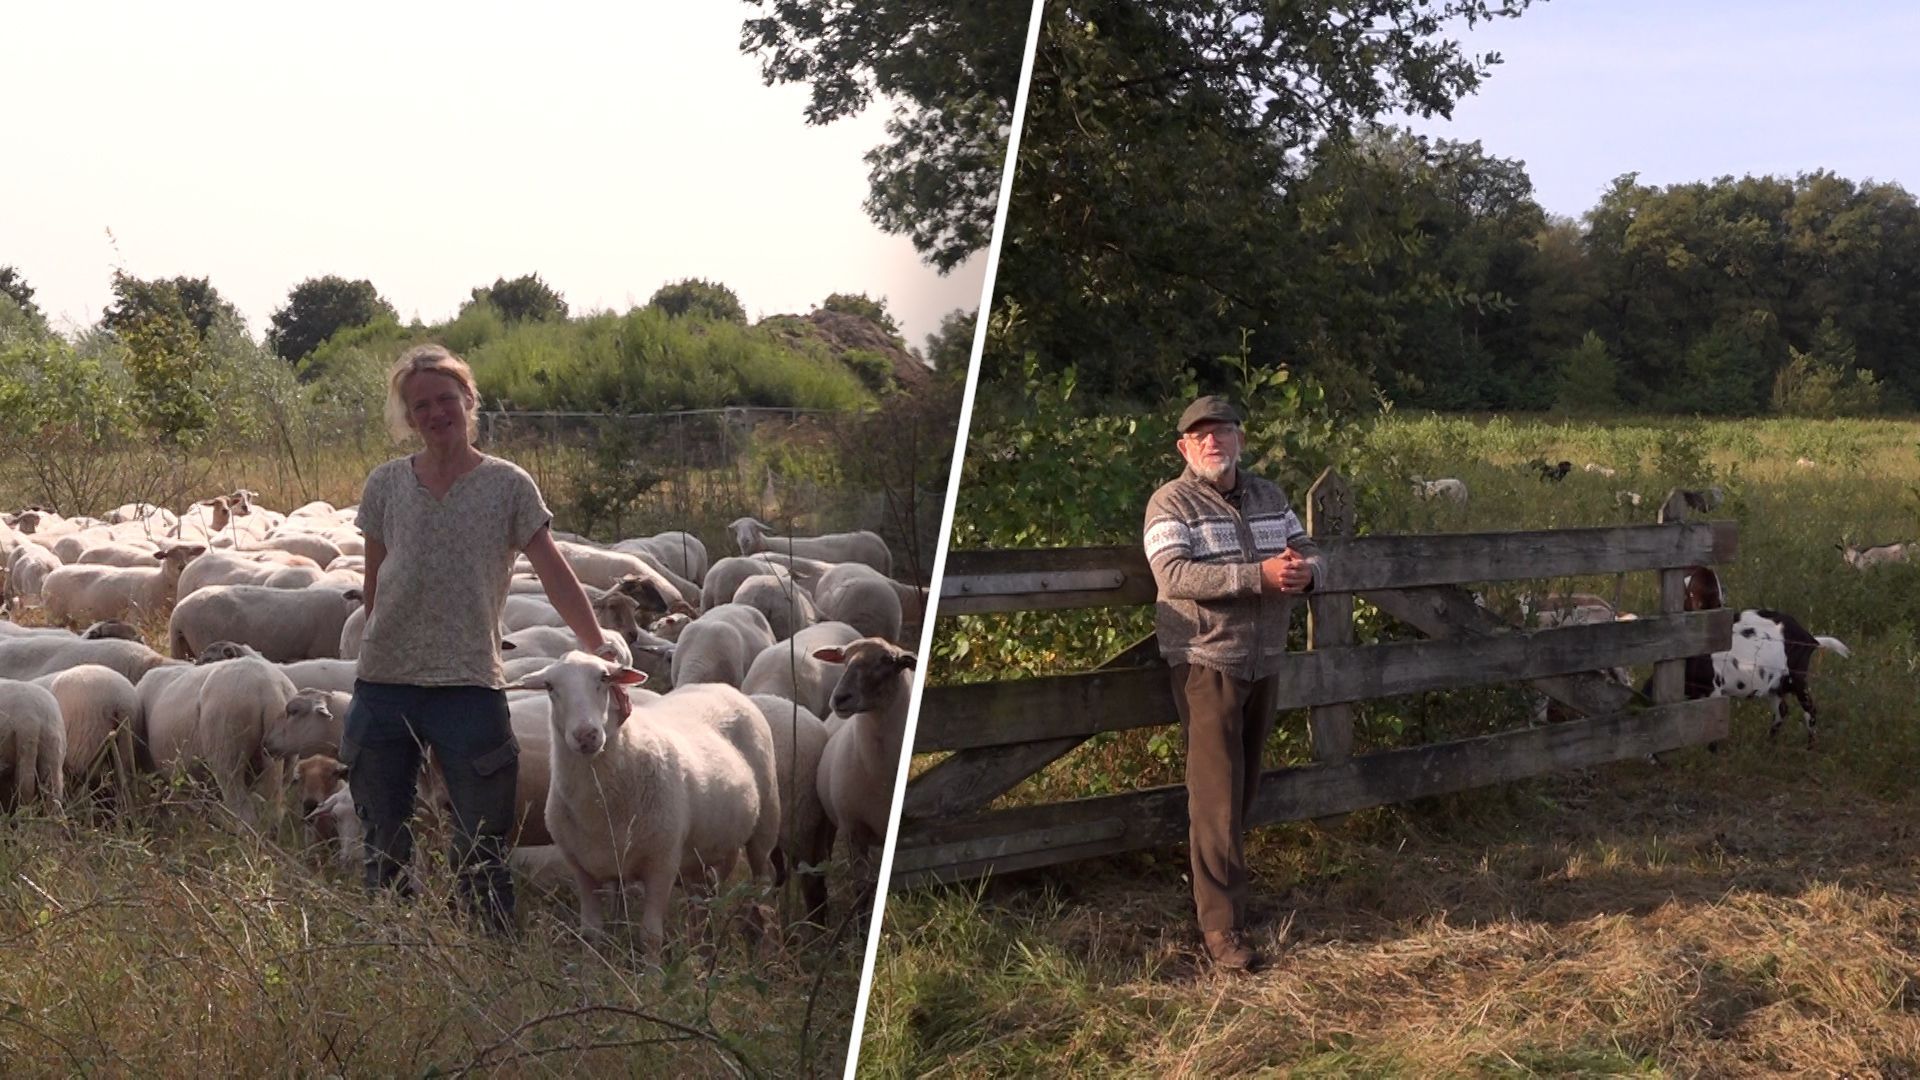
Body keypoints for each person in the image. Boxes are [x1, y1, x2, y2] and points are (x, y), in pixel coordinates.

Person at [342, 343, 624, 933]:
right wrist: (375, 650)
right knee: (383, 832)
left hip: (469, 685)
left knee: (482, 838)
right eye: (421, 405)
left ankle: (487, 953)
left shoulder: (508, 487)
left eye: (446, 399)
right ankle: (394, 946)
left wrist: (598, 647)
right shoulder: (387, 485)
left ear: (468, 400)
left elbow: (553, 570)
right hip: (385, 686)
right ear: (408, 416)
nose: (436, 413)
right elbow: (375, 581)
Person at [1142, 394, 1324, 973]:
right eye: (1202, 436)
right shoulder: (1170, 502)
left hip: (1264, 657)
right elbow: (1172, 574)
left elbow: (1311, 550)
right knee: (1217, 794)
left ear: (1241, 438)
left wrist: (1306, 573)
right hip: (1206, 658)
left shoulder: (1270, 496)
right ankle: (1221, 929)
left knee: (1242, 788)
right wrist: (1259, 578)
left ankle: (1222, 898)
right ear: (1184, 448)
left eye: (1223, 432)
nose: (1214, 442)